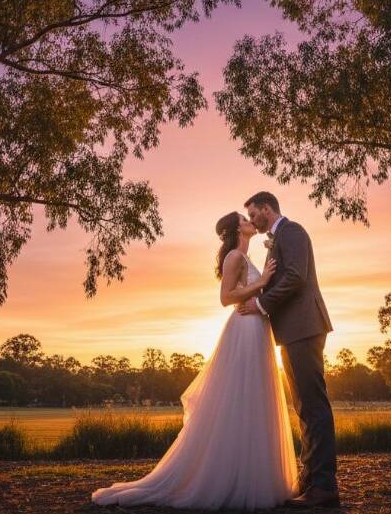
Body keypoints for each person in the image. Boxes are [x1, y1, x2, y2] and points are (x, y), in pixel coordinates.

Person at [91, 210, 297, 511]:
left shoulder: (245, 256)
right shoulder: (233, 258)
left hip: (257, 327)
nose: (250, 221)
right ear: (236, 229)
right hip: (244, 328)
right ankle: (227, 479)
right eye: (244, 218)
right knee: (239, 399)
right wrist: (262, 282)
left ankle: (251, 475)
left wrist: (263, 281)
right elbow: (226, 298)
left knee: (254, 399)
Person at [236, 191, 339, 507]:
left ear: (267, 208)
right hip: (292, 331)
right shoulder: (277, 239)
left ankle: (324, 487)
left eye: (254, 214)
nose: (252, 221)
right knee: (304, 407)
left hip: (304, 328)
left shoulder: (292, 231)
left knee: (314, 405)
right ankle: (311, 480)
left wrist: (261, 304)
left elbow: (296, 276)